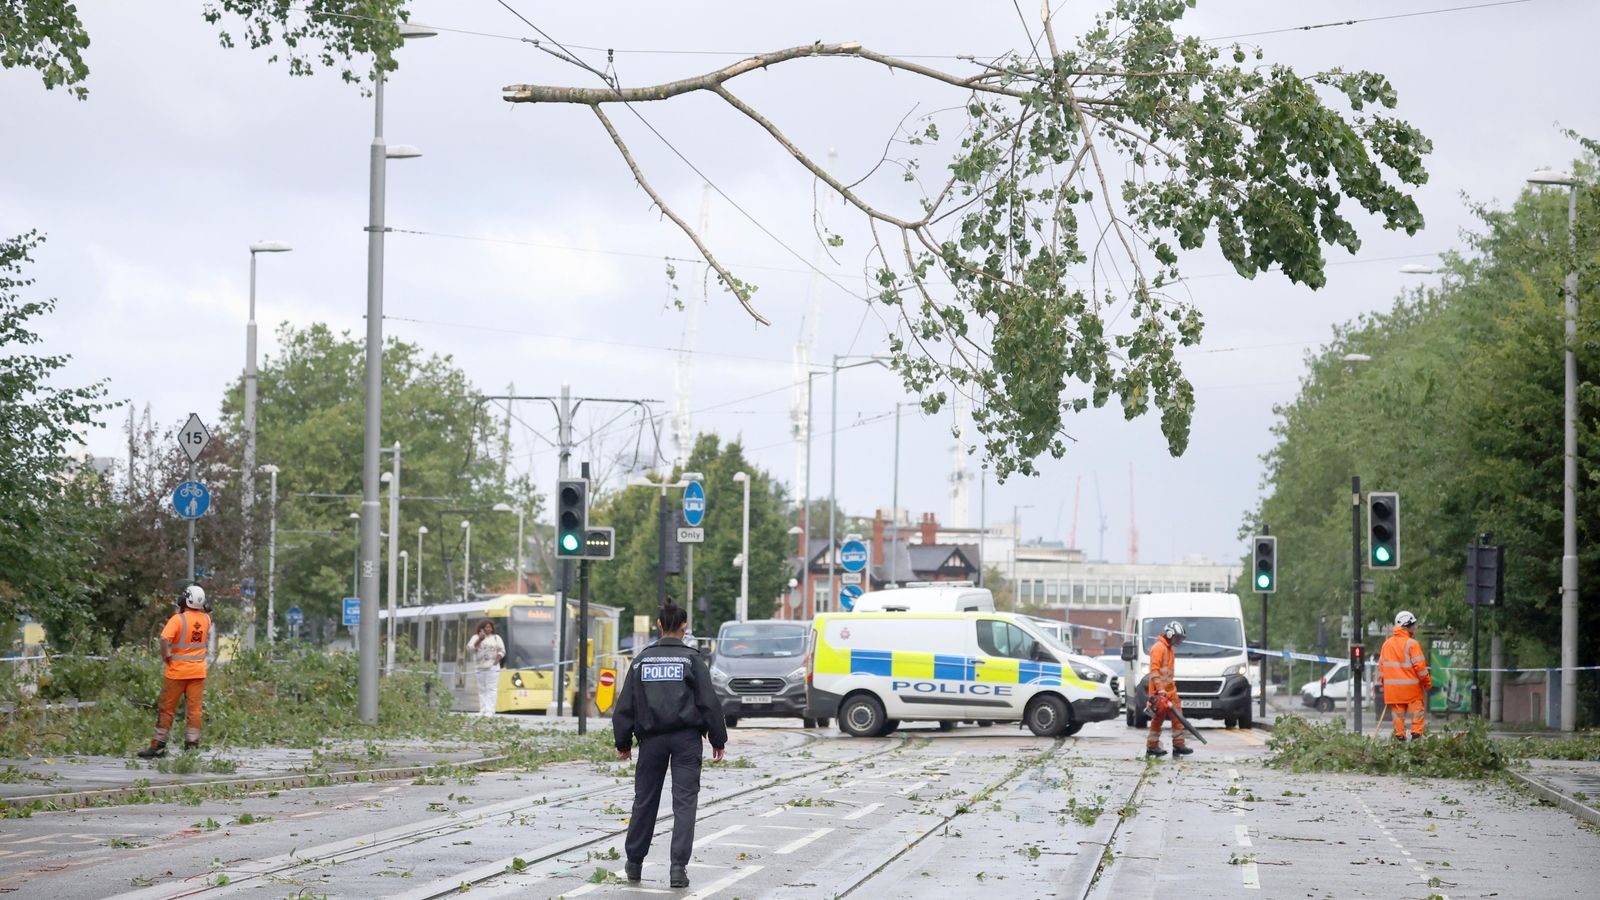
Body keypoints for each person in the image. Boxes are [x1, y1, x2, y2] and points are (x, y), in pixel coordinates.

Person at [613, 599, 728, 889]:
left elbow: (626, 703)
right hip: (687, 740)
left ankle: (634, 863)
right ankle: (678, 868)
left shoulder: (641, 660)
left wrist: (623, 741)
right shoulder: (691, 660)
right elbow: (708, 702)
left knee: (645, 800)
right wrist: (718, 738)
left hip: (651, 741)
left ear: (659, 625)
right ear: (684, 627)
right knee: (685, 802)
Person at [137, 585, 212, 758]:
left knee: (167, 709)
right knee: (194, 711)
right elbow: (207, 615)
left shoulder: (178, 619)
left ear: (185, 600)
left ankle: (158, 746)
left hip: (177, 672)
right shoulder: (206, 620)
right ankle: (192, 746)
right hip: (198, 673)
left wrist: (166, 655)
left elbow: (164, 638)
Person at [1378, 610, 1432, 741]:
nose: (1415, 627)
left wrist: (1384, 683)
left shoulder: (1387, 644)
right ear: (1406, 625)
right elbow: (1420, 668)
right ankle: (1416, 737)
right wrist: (1427, 683)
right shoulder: (1412, 644)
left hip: (1394, 691)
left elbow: (1381, 668)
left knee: (1398, 715)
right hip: (1412, 690)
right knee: (1417, 713)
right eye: (1413, 624)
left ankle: (1400, 737)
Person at [1146, 620, 1194, 758]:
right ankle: (1152, 747)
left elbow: (1168, 674)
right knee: (1158, 719)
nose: (1178, 640)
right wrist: (1160, 690)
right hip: (1159, 693)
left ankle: (1178, 744)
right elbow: (1154, 672)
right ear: (1170, 634)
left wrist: (1171, 691)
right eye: (1177, 637)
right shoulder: (1158, 648)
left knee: (1178, 717)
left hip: (1170, 692)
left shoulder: (1169, 649)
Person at [466, 619, 505, 717]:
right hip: (480, 667)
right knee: (482, 689)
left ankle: (490, 711)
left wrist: (496, 660)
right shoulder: (475, 637)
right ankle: (483, 710)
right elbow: (470, 648)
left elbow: (502, 650)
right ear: (481, 628)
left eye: (490, 627)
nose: (488, 629)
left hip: (493, 667)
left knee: (491, 689)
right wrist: (480, 639)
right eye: (486, 627)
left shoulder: (496, 638)